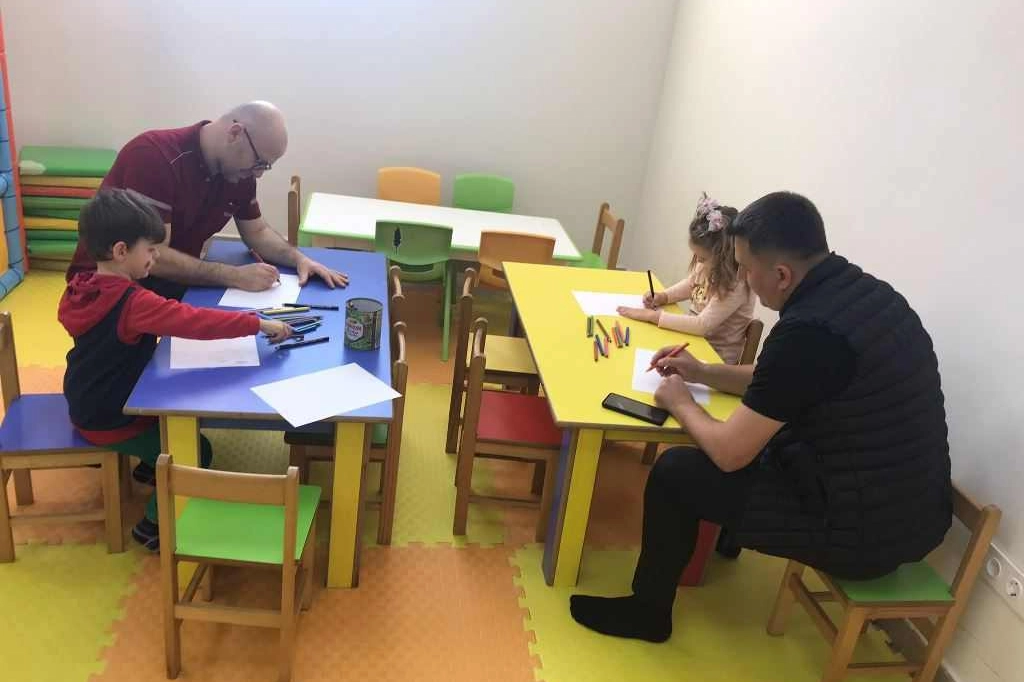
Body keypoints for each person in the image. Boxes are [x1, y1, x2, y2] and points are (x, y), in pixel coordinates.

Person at [570, 191, 951, 643]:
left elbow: (730, 454)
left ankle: (647, 613)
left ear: (782, 274)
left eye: (746, 268)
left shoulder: (807, 333)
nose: (743, 277)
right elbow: (781, 380)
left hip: (864, 534)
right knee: (765, 436)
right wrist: (702, 372)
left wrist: (680, 401)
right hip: (916, 513)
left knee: (677, 472)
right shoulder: (865, 296)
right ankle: (729, 538)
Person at [59, 189, 293, 550]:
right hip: (109, 416)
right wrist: (257, 324)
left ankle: (149, 465)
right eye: (151, 250)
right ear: (120, 251)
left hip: (84, 396)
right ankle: (154, 525)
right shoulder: (132, 302)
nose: (156, 257)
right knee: (197, 449)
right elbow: (193, 321)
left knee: (176, 412)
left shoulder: (83, 287)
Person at [66, 101, 348, 301]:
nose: (259, 174)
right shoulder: (154, 157)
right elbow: (156, 254)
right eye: (259, 163)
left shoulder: (238, 173)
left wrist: (300, 259)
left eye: (266, 167)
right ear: (235, 134)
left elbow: (258, 232)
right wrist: (233, 275)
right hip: (108, 288)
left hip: (168, 281)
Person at [618, 193, 755, 364]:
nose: (698, 262)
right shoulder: (707, 265)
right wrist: (664, 296)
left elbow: (702, 325)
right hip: (692, 341)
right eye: (696, 256)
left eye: (702, 258)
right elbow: (692, 284)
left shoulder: (737, 285)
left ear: (724, 257)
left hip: (715, 359)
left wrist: (653, 316)